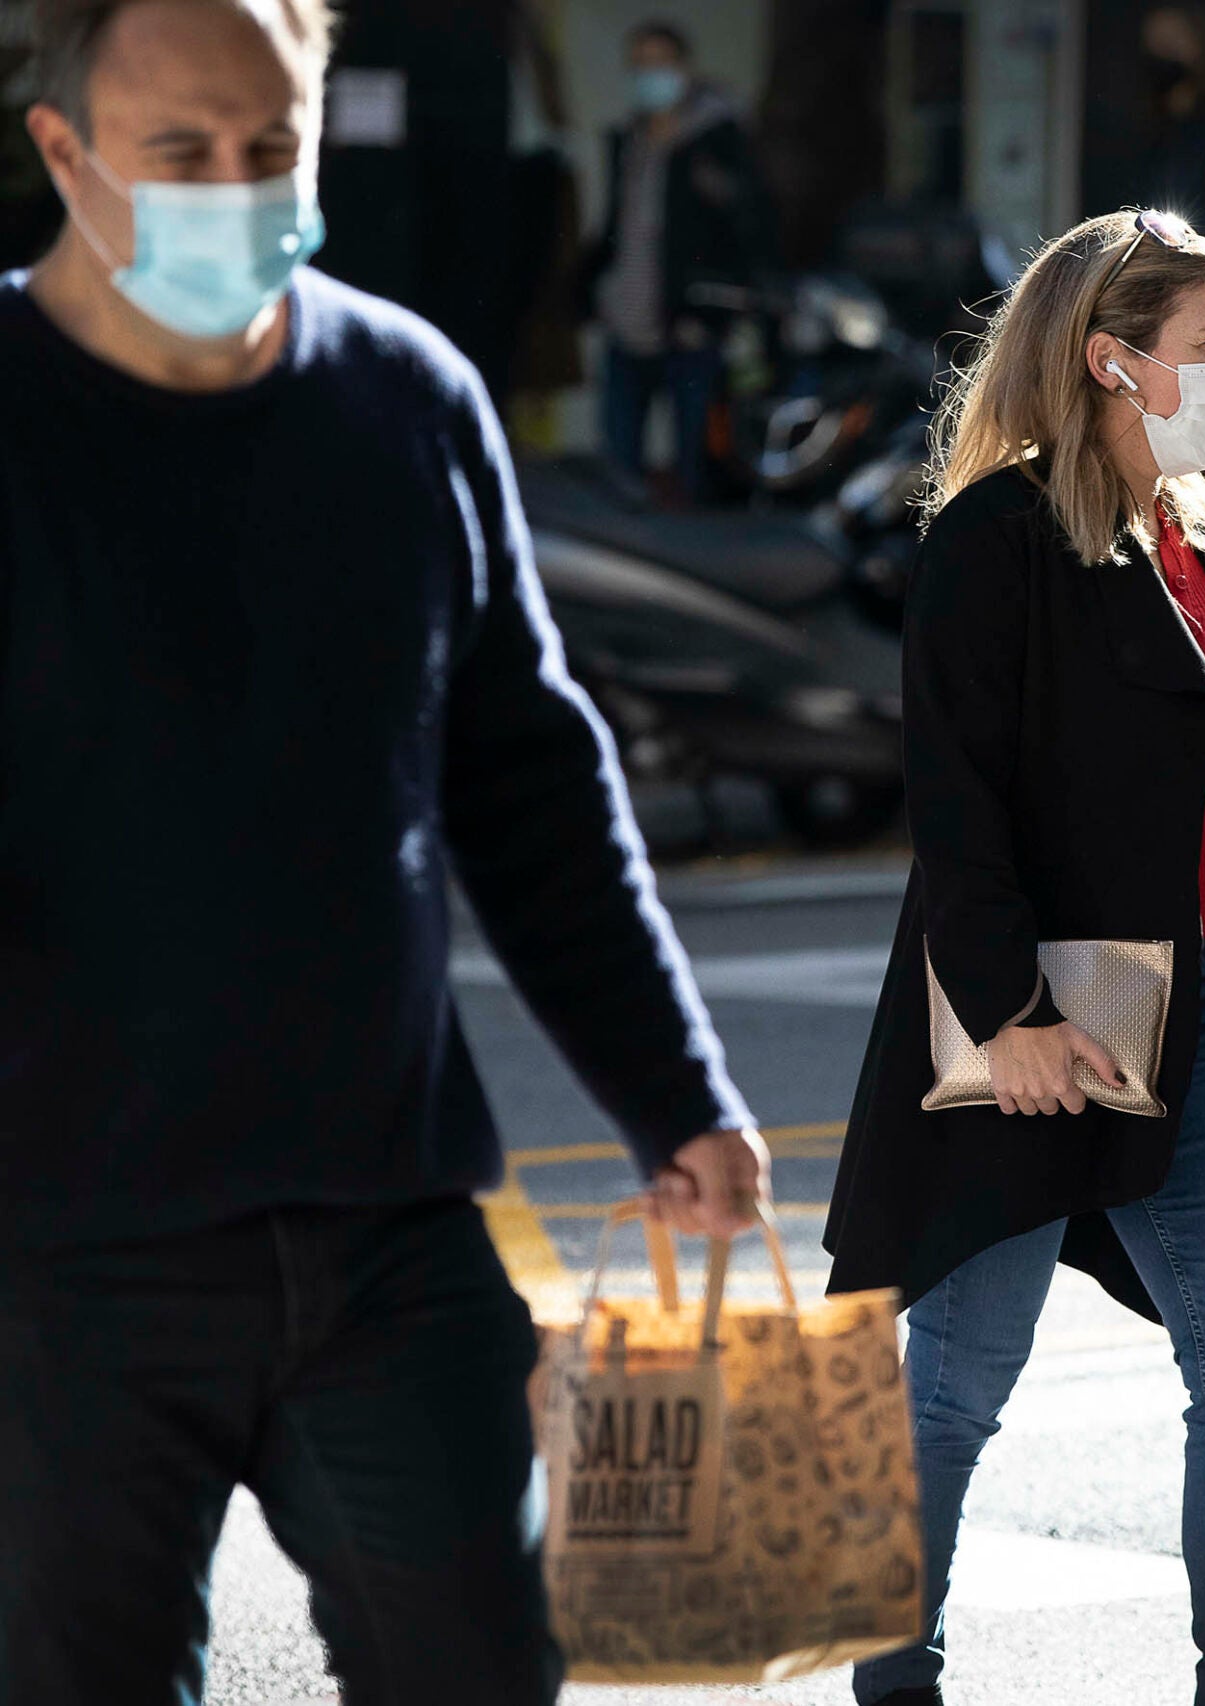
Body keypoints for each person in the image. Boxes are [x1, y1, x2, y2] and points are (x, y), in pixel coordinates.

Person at [0, 2, 771, 1700]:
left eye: (273, 146)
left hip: (389, 1231)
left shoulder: (410, 400)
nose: (237, 187)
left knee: (485, 1670)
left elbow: (531, 782)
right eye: (181, 152)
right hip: (59, 1256)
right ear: (64, 154)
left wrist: (676, 1088)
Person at [822, 208, 1205, 1706]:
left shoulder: (1193, 536)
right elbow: (956, 806)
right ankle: (892, 1673)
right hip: (1050, 1016)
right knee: (963, 1380)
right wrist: (1012, 1016)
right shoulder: (996, 539)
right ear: (1115, 360)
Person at [584, 18, 770, 504]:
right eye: (640, 64)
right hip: (626, 322)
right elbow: (617, 228)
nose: (650, 76)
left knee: (696, 466)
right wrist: (592, 291)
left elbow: (749, 230)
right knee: (618, 471)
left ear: (684, 69)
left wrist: (722, 311)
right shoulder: (628, 142)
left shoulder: (720, 140)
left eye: (660, 64)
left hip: (692, 326)